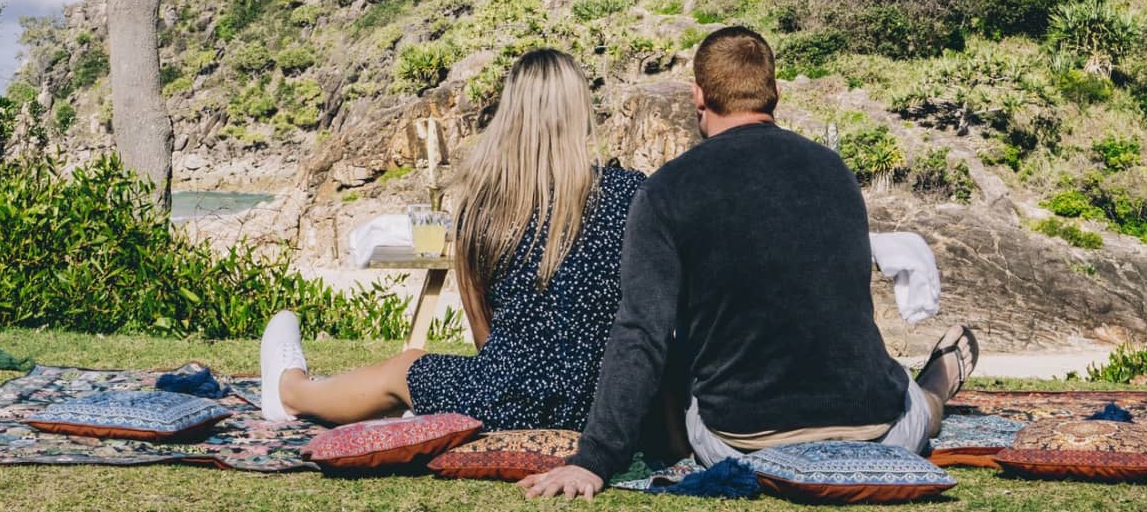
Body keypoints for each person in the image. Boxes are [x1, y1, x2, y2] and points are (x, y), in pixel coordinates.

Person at [521, 27, 977, 498]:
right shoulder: (834, 172)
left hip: (739, 441)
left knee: (676, 339)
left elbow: (641, 333)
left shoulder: (666, 191)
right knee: (916, 402)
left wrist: (594, 459)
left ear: (698, 96)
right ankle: (935, 387)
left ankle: (929, 386)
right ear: (775, 93)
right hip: (878, 427)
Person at [260, 48, 645, 429]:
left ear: (511, 115)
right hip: (606, 403)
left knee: (406, 367)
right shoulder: (632, 194)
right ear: (580, 110)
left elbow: (483, 337)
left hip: (508, 405)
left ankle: (291, 392)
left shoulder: (488, 207)